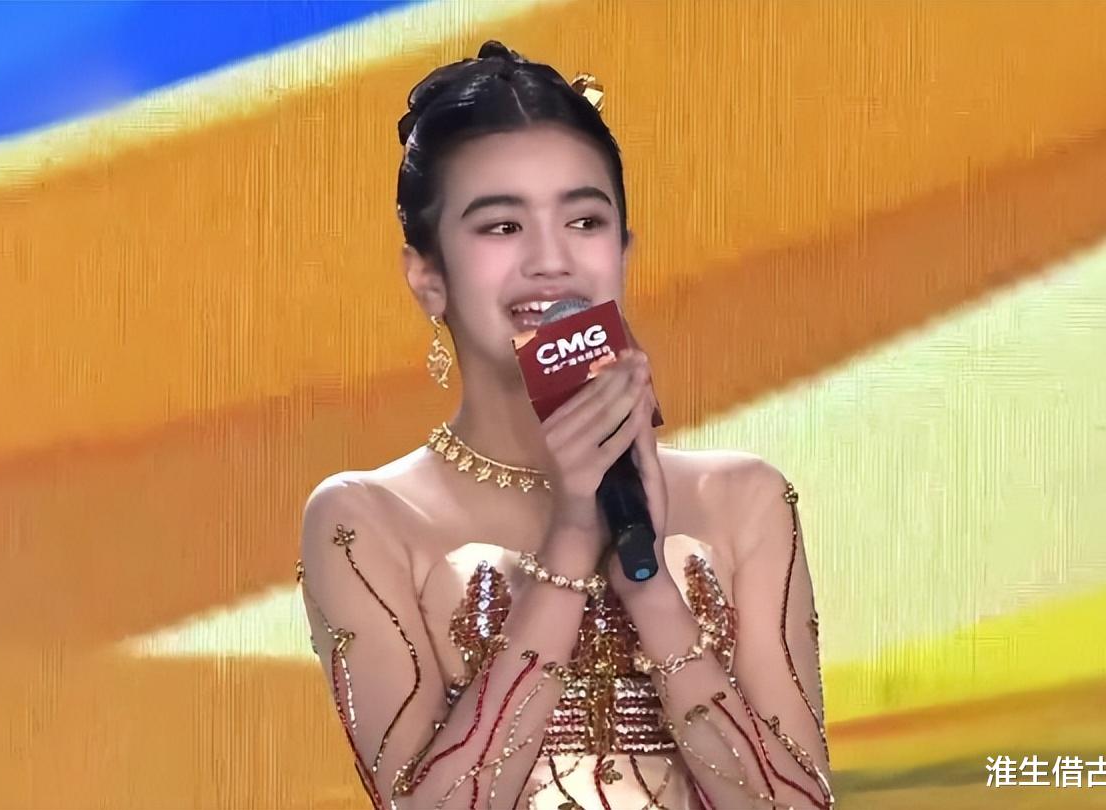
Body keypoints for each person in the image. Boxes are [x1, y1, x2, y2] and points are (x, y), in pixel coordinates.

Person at [297, 40, 833, 810]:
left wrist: (645, 576)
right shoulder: (365, 519)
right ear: (428, 277)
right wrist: (573, 541)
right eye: (501, 227)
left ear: (623, 252)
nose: (551, 261)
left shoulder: (744, 498)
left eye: (585, 220)